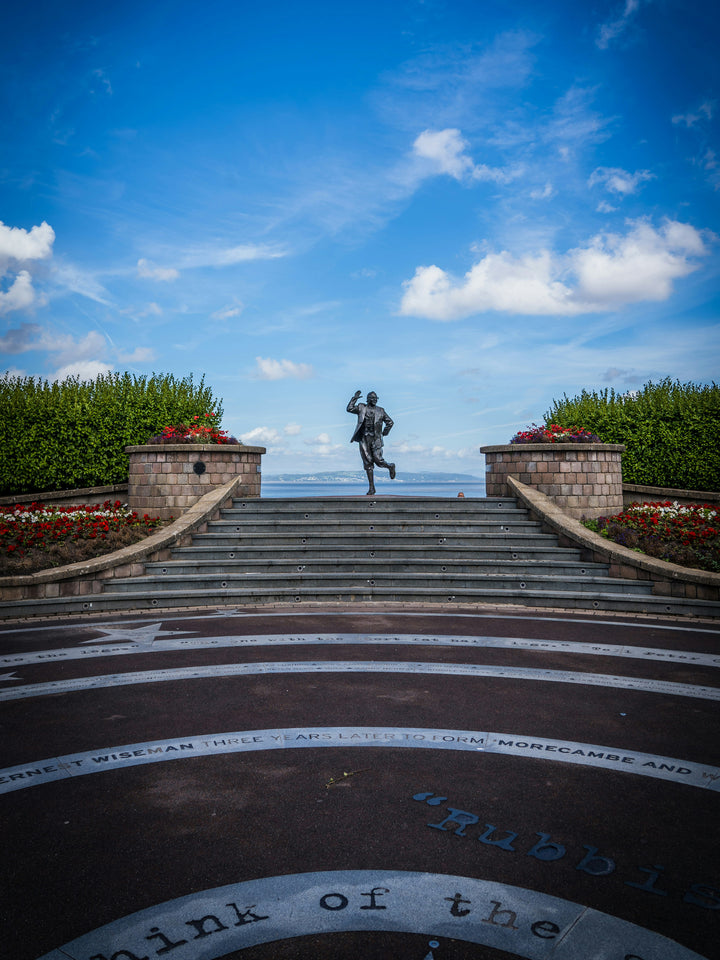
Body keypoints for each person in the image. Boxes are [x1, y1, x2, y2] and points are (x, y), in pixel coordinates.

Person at [346, 389, 396, 495]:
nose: (374, 400)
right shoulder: (361, 407)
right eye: (372, 398)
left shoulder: (381, 411)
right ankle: (372, 488)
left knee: (378, 460)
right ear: (368, 400)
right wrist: (354, 399)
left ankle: (390, 466)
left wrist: (384, 433)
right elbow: (349, 409)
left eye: (375, 398)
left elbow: (390, 422)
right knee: (368, 463)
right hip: (364, 439)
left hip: (376, 439)